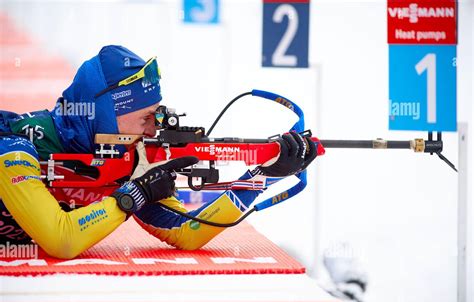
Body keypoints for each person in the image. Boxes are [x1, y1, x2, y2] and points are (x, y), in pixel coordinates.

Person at [0, 45, 317, 259]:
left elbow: (187, 232)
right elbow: (61, 239)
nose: (152, 131)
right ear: (104, 113)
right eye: (144, 117)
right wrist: (132, 196)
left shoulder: (127, 158)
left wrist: (260, 177)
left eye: (156, 115)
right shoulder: (13, 148)